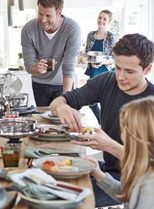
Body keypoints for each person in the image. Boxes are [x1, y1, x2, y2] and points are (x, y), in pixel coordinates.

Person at [50, 33, 154, 207]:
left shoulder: (150, 104)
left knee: (65, 199)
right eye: (117, 67)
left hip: (132, 178)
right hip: (109, 169)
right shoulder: (108, 80)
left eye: (129, 71)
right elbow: (59, 101)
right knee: (51, 176)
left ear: (147, 69)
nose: (120, 76)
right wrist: (62, 107)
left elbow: (149, 167)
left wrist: (109, 145)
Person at [89, 96, 154, 209]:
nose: (121, 133)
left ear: (137, 135)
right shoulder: (143, 164)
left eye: (124, 128)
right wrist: (99, 175)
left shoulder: (149, 184)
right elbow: (127, 195)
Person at [21, 0, 81, 107]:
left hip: (63, 83)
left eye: (48, 15)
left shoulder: (72, 29)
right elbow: (29, 65)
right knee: (43, 120)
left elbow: (68, 67)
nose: (43, 20)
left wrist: (65, 98)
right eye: (40, 14)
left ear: (59, 12)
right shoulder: (28, 30)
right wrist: (37, 68)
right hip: (39, 84)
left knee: (62, 119)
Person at [84, 9, 117, 124]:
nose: (101, 21)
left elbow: (114, 58)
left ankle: (106, 128)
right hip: (93, 71)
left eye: (104, 19)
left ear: (109, 22)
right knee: (91, 102)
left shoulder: (111, 37)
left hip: (106, 72)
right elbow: (87, 52)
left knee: (106, 102)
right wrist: (91, 61)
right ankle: (101, 123)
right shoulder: (90, 35)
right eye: (100, 17)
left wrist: (101, 62)